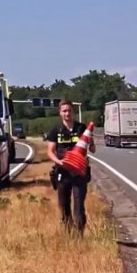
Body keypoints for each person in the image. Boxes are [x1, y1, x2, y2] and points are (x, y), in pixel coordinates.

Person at [46, 100, 95, 235]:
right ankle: (68, 234)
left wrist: (91, 144)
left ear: (73, 112)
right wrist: (59, 162)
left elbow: (93, 149)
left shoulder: (81, 128)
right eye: (64, 111)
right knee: (64, 205)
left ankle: (79, 235)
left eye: (69, 110)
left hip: (79, 173)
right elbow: (50, 151)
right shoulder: (56, 130)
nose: (67, 113)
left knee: (79, 205)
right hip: (63, 172)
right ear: (60, 113)